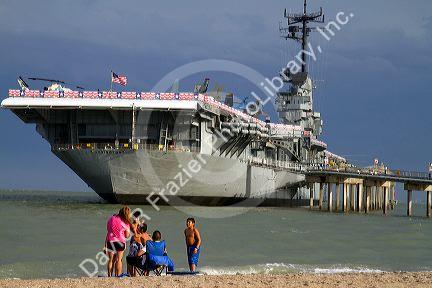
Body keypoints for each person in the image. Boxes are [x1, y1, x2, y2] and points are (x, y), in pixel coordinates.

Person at [104, 206, 131, 277]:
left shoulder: (111, 219)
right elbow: (127, 235)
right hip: (120, 242)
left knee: (110, 260)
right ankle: (118, 276)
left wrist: (105, 245)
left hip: (110, 241)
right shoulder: (126, 222)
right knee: (119, 260)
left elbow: (108, 231)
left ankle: (109, 276)